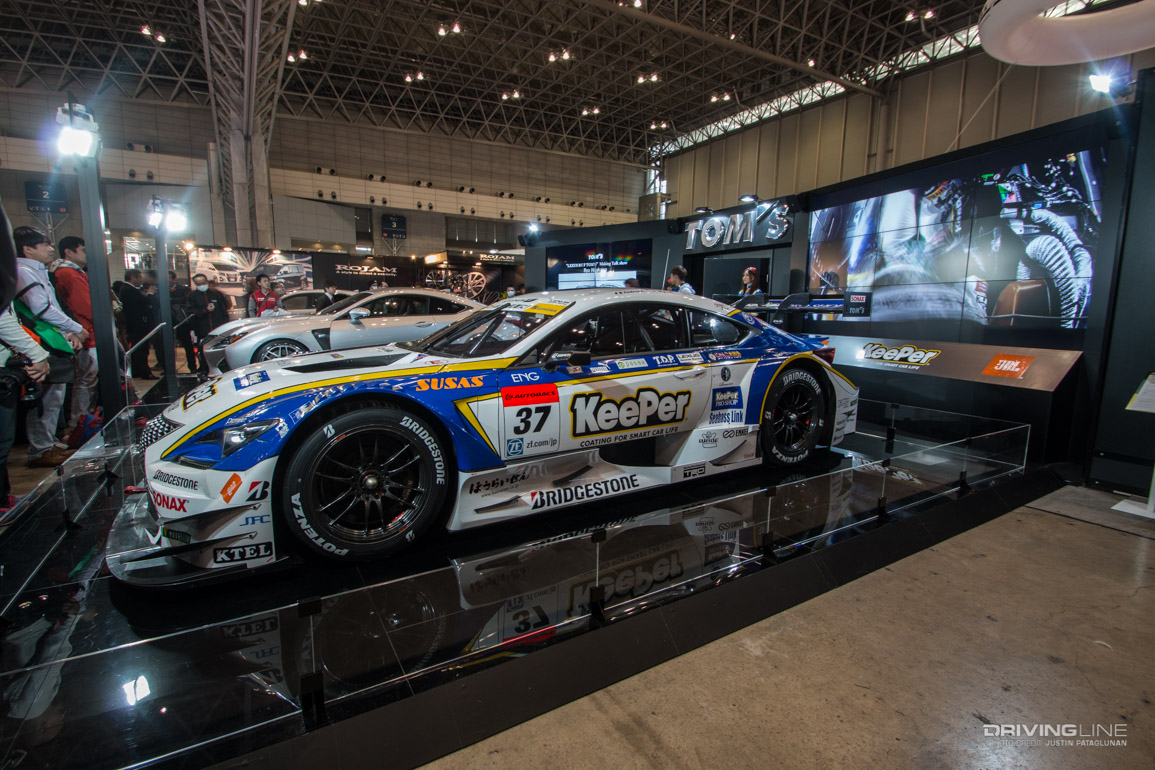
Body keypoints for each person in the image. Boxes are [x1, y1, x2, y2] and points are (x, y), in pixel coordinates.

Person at [13, 227, 86, 467]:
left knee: (53, 397)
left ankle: (47, 444)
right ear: (28, 249)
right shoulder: (23, 271)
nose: (50, 248)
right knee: (46, 398)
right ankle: (41, 449)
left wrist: (66, 332)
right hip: (41, 343)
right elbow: (42, 309)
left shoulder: (35, 271)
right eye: (45, 244)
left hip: (52, 339)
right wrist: (75, 327)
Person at [51, 237, 99, 423]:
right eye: (83, 250)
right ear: (69, 252)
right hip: (85, 333)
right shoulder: (68, 274)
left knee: (88, 379)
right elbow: (86, 306)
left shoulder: (75, 272)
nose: (87, 254)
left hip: (88, 331)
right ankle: (80, 421)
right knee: (86, 379)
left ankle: (84, 419)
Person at [116, 269, 157, 378]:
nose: (141, 280)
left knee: (139, 349)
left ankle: (137, 371)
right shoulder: (129, 290)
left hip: (135, 324)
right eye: (139, 278)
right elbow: (144, 302)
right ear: (132, 277)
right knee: (141, 350)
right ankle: (144, 372)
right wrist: (150, 294)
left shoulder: (128, 289)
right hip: (137, 325)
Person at [186, 273, 217, 376]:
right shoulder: (192, 296)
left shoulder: (215, 294)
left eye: (203, 282)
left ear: (206, 281)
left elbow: (223, 310)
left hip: (216, 328)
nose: (201, 285)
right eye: (198, 283)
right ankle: (203, 369)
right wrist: (205, 310)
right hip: (201, 329)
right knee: (203, 351)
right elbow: (191, 312)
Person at [168, 270, 196, 372]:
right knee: (168, 347)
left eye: (168, 278)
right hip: (169, 322)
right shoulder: (162, 290)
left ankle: (192, 367)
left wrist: (172, 300)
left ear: (174, 279)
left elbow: (187, 300)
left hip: (182, 321)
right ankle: (169, 369)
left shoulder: (184, 289)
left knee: (187, 345)